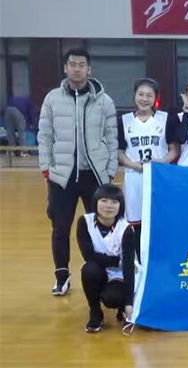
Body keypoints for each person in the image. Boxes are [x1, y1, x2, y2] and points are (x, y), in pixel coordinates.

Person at [38, 48, 118, 296]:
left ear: (89, 69)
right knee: (60, 228)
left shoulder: (103, 101)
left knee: (99, 227)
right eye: (72, 64)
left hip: (94, 175)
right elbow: (45, 135)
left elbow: (112, 137)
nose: (76, 68)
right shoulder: (52, 99)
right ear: (65, 68)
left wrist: (110, 170)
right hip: (62, 176)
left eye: (81, 64)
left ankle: (99, 273)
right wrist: (46, 168)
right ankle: (62, 276)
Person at [118, 78, 179, 258]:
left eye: (149, 95)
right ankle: (141, 263)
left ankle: (160, 261)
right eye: (141, 94)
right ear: (134, 96)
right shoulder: (124, 121)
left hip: (158, 176)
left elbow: (174, 150)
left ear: (155, 98)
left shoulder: (165, 119)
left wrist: (160, 162)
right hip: (134, 177)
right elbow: (119, 152)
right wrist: (134, 165)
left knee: (159, 222)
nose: (144, 99)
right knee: (137, 224)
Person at [76, 184, 136, 333]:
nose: (109, 206)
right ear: (96, 201)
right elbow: (88, 255)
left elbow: (128, 266)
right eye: (104, 201)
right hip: (97, 269)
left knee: (112, 298)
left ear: (120, 206)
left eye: (114, 202)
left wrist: (129, 303)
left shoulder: (126, 229)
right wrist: (116, 261)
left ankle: (121, 306)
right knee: (88, 270)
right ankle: (95, 312)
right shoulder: (84, 222)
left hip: (119, 274)